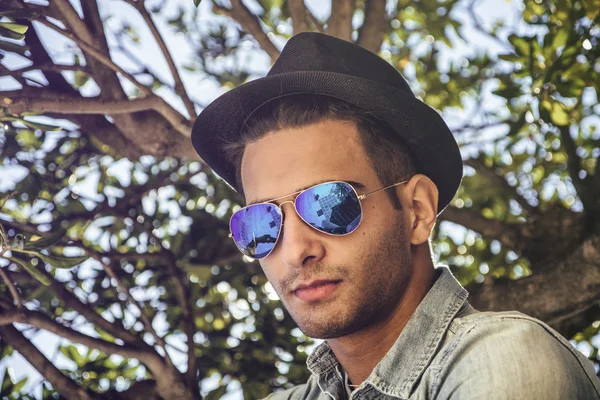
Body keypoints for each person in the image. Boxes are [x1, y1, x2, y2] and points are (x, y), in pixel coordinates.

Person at [191, 33, 600, 399]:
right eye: (261, 224)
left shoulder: (504, 359)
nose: (295, 250)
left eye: (329, 203)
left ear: (417, 211)